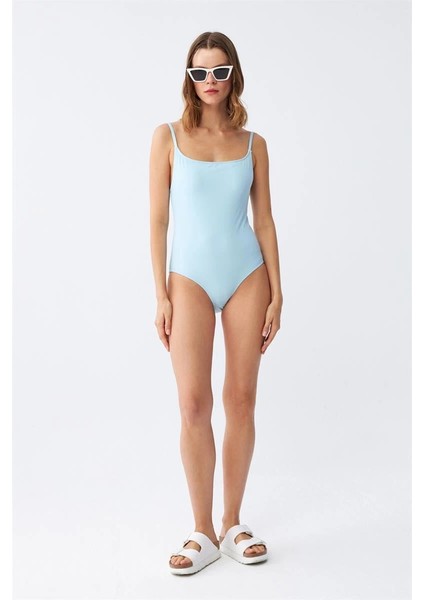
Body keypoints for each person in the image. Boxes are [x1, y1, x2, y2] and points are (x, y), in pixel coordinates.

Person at [149, 31, 283, 575]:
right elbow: (158, 220)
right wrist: (160, 292)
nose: (210, 81)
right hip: (188, 279)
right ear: (189, 77)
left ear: (234, 76)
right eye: (200, 72)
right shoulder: (167, 137)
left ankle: (231, 523)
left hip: (248, 274)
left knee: (242, 399)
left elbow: (264, 220)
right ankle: (201, 529)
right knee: (193, 404)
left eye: (220, 71)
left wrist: (279, 292)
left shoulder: (254, 144)